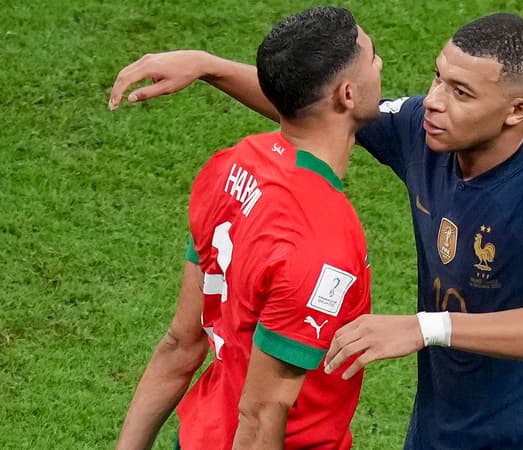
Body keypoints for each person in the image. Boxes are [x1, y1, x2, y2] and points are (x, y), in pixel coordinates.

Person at [109, 12, 523, 450]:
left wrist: (423, 327)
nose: (432, 101)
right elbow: (321, 107)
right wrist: (209, 66)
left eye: (460, 93)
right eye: (438, 77)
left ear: (517, 111)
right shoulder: (429, 134)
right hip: (439, 429)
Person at [113, 6, 382, 450]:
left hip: (200, 436)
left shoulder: (232, 166)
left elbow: (181, 344)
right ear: (348, 95)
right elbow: (259, 418)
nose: (381, 65)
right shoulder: (325, 243)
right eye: (373, 57)